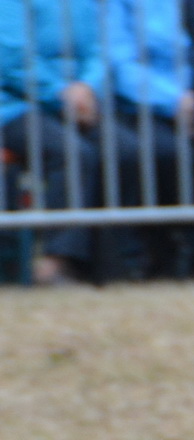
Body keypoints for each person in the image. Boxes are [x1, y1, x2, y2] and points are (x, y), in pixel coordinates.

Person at [102, 0, 194, 274]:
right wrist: (173, 101)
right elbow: (119, 60)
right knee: (166, 152)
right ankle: (172, 246)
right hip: (146, 104)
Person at [1, 0, 105, 283]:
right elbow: (11, 59)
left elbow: (99, 49)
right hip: (14, 106)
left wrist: (87, 86)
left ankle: (113, 265)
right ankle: (55, 263)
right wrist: (62, 94)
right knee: (72, 153)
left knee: (124, 150)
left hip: (77, 102)